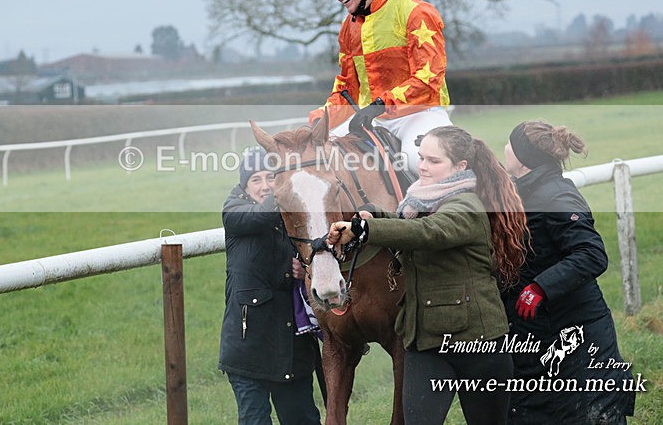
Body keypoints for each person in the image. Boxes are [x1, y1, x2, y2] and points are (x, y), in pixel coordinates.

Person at [327, 125, 527, 425]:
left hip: (478, 343)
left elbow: (428, 232)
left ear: (460, 167)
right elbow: (408, 223)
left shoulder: (467, 205)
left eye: (434, 161)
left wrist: (367, 230)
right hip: (426, 342)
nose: (422, 166)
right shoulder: (419, 202)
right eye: (421, 158)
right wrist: (373, 215)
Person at [503, 121, 636, 424]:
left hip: (578, 330)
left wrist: (539, 287)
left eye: (510, 144)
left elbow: (592, 254)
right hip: (541, 330)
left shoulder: (555, 197)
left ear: (524, 157)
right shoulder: (523, 189)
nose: (506, 148)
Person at [309, 0, 453, 176]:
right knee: (320, 161)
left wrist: (380, 105)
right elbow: (347, 90)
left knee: (416, 162)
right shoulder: (348, 27)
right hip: (370, 119)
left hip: (419, 115)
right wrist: (318, 122)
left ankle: (458, 210)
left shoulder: (414, 11)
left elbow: (429, 80)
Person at [218, 146, 322, 424]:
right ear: (244, 185)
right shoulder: (235, 211)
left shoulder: (293, 216)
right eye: (256, 179)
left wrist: (305, 270)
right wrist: (287, 186)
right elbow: (262, 216)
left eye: (271, 178)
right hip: (248, 349)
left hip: (292, 348)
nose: (265, 186)